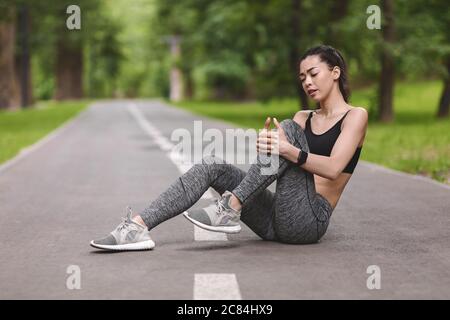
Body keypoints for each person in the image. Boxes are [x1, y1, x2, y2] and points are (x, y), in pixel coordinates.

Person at [90, 45, 368, 251]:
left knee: (288, 134)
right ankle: (137, 227)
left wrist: (286, 148)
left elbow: (332, 169)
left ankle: (230, 206)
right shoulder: (302, 117)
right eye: (302, 77)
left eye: (313, 73)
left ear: (335, 72)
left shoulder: (355, 116)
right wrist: (271, 147)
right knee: (213, 165)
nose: (307, 81)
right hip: (275, 218)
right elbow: (280, 166)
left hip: (309, 223)